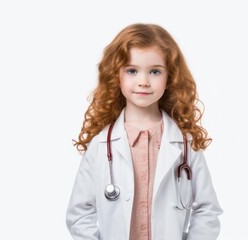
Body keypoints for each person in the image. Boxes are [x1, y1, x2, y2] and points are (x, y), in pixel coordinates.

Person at [66, 23, 223, 240]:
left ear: (171, 77)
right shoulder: (102, 144)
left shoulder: (185, 144)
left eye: (155, 71)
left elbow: (208, 210)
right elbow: (79, 213)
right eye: (132, 70)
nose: (143, 82)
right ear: (116, 75)